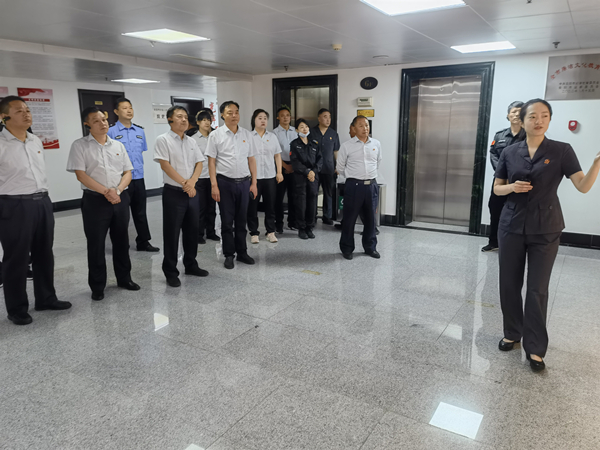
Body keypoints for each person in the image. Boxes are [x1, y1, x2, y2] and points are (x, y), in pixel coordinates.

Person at [494, 98, 600, 372]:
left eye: (544, 116)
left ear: (549, 120)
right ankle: (512, 333)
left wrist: (597, 164)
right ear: (522, 120)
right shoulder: (510, 151)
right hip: (511, 225)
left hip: (546, 227)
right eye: (532, 116)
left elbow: (582, 186)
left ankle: (535, 347)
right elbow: (497, 188)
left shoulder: (562, 150)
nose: (538, 120)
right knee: (509, 283)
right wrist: (512, 187)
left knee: (537, 289)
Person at [0, 96, 71, 325]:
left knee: (44, 253)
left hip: (42, 202)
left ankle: (46, 298)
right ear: (4, 117)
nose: (26, 114)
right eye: (19, 111)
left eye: (28, 110)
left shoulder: (35, 140)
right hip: (14, 204)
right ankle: (16, 308)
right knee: (17, 257)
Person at [67, 106, 140, 301]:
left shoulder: (118, 145)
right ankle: (98, 286)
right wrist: (106, 192)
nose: (102, 123)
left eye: (104, 120)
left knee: (122, 241)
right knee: (96, 244)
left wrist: (117, 191)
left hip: (119, 198)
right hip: (95, 201)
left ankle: (124, 279)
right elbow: (81, 175)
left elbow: (128, 172)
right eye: (96, 121)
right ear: (87, 124)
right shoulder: (80, 145)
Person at [154, 106, 208, 287]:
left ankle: (191, 264)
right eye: (179, 116)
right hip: (174, 193)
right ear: (170, 120)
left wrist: (192, 182)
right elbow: (165, 165)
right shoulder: (163, 140)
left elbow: (199, 163)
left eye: (185, 117)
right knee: (172, 233)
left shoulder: (191, 141)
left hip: (192, 192)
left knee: (192, 231)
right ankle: (170, 271)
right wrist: (185, 184)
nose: (184, 120)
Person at [206, 100, 258, 269]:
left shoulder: (246, 135)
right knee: (227, 221)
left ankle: (242, 252)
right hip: (224, 183)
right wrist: (214, 185)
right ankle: (229, 254)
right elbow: (211, 162)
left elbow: (251, 159)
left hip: (244, 183)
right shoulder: (215, 135)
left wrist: (254, 183)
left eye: (236, 112)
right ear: (222, 115)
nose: (234, 115)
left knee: (242, 220)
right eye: (230, 112)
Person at [108, 97, 159, 252]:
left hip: (138, 178)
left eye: (130, 107)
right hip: (120, 180)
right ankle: (121, 243)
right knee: (121, 214)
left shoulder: (140, 131)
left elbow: (140, 151)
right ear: (116, 111)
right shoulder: (110, 131)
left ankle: (143, 242)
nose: (129, 111)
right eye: (124, 108)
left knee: (140, 212)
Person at [482, 101, 525, 252]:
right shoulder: (500, 135)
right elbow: (493, 153)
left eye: (520, 111)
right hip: (500, 181)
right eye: (513, 112)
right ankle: (494, 241)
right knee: (495, 208)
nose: (516, 114)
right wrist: (502, 172)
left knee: (519, 212)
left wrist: (513, 173)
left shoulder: (529, 136)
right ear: (508, 115)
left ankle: (517, 244)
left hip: (520, 181)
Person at [337, 116, 381, 260]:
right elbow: (340, 167)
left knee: (371, 220)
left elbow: (378, 162)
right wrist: (354, 177)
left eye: (366, 125)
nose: (365, 128)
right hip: (354, 186)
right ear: (354, 128)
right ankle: (347, 248)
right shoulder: (346, 146)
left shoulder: (376, 144)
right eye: (361, 126)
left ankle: (370, 247)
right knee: (349, 219)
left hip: (371, 186)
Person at [247, 109, 283, 244]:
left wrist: (279, 172)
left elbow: (277, 155)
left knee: (270, 206)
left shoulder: (272, 136)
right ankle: (254, 232)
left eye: (265, 118)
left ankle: (270, 232)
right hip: (253, 178)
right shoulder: (249, 136)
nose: (263, 120)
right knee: (252, 206)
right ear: (254, 120)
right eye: (260, 118)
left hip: (269, 176)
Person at [190, 110, 220, 244]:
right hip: (200, 178)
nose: (207, 122)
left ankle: (211, 232)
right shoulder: (193, 140)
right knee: (201, 207)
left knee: (212, 207)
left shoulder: (215, 137)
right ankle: (199, 234)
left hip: (213, 177)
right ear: (198, 122)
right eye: (203, 120)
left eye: (208, 120)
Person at [290, 118, 322, 240]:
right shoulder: (294, 144)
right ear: (297, 130)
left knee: (312, 203)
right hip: (300, 177)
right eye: (302, 127)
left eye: (306, 127)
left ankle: (310, 227)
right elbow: (295, 162)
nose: (305, 129)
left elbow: (320, 159)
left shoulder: (315, 143)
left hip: (313, 177)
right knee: (301, 203)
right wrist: (307, 171)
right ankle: (301, 228)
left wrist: (313, 171)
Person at [310, 108, 340, 225]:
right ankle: (312, 216)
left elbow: (336, 151)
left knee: (329, 193)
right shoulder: (312, 132)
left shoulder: (333, 134)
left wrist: (338, 166)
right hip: (314, 168)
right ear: (319, 118)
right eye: (325, 117)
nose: (328, 119)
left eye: (329, 117)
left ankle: (327, 216)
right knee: (313, 193)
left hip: (329, 168)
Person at [273, 107, 298, 233]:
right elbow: (274, 153)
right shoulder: (274, 133)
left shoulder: (296, 131)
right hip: (280, 167)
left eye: (287, 115)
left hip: (294, 167)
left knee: (293, 196)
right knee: (279, 197)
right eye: (282, 115)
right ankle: (278, 223)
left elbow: (299, 150)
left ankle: (292, 222)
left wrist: (293, 166)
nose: (285, 117)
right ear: (278, 117)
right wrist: (284, 166)